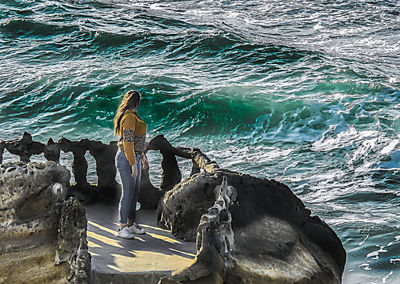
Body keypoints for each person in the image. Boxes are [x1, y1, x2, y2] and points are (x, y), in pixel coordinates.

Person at [113, 90, 149, 239]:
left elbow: (135, 141)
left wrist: (142, 156)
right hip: (126, 159)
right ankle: (122, 227)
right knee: (127, 193)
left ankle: (131, 224)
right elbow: (128, 142)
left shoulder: (133, 116)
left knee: (134, 193)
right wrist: (133, 163)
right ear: (137, 102)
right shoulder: (128, 118)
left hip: (135, 157)